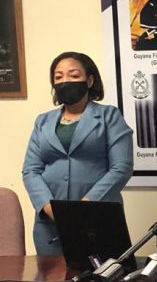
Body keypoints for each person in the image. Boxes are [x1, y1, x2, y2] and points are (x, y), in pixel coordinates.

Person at [22, 52, 134, 255]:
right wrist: (49, 207)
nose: (65, 81)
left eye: (73, 75)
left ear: (89, 80)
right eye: (58, 77)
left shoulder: (110, 116)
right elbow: (31, 169)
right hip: (49, 221)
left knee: (101, 281)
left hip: (98, 215)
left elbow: (121, 167)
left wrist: (84, 207)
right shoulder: (43, 121)